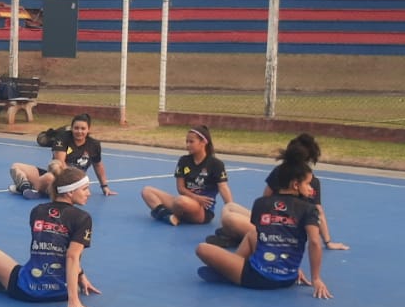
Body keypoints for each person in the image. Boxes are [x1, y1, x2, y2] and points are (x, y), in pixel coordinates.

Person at [194, 153, 331, 298]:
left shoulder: (261, 203)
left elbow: (267, 237)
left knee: (201, 249)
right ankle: (230, 268)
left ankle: (227, 272)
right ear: (295, 185)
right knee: (252, 234)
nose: (310, 188)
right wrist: (316, 278)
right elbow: (314, 242)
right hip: (289, 277)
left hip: (257, 277)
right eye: (308, 184)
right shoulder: (309, 209)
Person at [0, 166, 101, 307]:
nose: (89, 193)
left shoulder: (38, 211)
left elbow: (54, 248)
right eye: (85, 189)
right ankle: (4, 283)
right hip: (60, 293)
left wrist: (80, 275)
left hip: (24, 290)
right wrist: (73, 299)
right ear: (70, 191)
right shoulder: (83, 218)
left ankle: (5, 283)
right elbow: (71, 255)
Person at [213, 133, 347, 251]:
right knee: (229, 207)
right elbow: (265, 201)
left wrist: (328, 242)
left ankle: (237, 236)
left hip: (282, 230)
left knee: (229, 219)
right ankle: (238, 234)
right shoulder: (281, 172)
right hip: (271, 220)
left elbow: (319, 213)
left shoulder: (306, 181)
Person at [141, 125, 232, 227]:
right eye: (186, 141)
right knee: (147, 191)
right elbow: (180, 188)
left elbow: (223, 187)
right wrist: (195, 197)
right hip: (184, 201)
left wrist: (230, 209)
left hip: (201, 209)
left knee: (180, 201)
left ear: (203, 142)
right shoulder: (184, 160)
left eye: (191, 142)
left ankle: (161, 213)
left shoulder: (216, 164)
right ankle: (167, 216)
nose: (188, 145)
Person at [8, 113, 114, 199]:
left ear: (88, 130)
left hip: (74, 183)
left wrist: (104, 186)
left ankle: (32, 188)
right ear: (71, 128)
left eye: (83, 128)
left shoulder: (93, 145)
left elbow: (98, 165)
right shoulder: (62, 138)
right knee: (16, 166)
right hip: (58, 175)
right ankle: (26, 188)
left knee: (48, 178)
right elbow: (60, 163)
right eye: (76, 128)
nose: (79, 131)